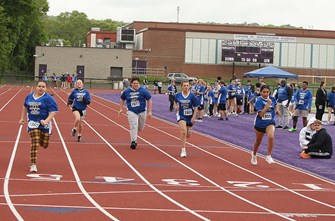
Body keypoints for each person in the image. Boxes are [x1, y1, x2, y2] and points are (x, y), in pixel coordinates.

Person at [19, 80, 58, 172]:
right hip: (32, 123)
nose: (41, 88)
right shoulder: (29, 97)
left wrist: (46, 121)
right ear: (36, 87)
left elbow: (53, 112)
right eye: (39, 86)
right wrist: (22, 118)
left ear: (45, 88)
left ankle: (46, 134)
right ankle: (33, 164)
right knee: (35, 142)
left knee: (44, 145)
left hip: (44, 123)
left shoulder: (49, 98)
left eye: (43, 87)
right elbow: (25, 107)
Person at [119, 76, 152, 149]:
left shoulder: (143, 90)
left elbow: (149, 99)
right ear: (131, 84)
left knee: (140, 128)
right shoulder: (127, 91)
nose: (136, 85)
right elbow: (122, 99)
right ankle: (133, 142)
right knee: (134, 125)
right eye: (134, 83)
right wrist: (121, 109)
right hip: (131, 111)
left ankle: (134, 132)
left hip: (142, 111)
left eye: (137, 83)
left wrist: (149, 112)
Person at [251, 85, 278, 165]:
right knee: (258, 141)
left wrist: (277, 110)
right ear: (260, 92)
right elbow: (261, 114)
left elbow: (275, 105)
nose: (266, 94)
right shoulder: (258, 100)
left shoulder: (272, 99)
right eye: (264, 92)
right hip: (260, 123)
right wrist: (267, 105)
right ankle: (254, 154)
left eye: (267, 92)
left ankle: (269, 155)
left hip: (270, 122)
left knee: (271, 136)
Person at [174, 80, 199, 158]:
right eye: (184, 85)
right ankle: (183, 150)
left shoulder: (192, 96)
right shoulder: (178, 95)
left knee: (188, 135)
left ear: (189, 86)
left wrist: (194, 117)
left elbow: (196, 108)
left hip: (190, 116)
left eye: (187, 85)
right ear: (181, 87)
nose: (186, 87)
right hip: (181, 115)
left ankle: (190, 129)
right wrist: (176, 106)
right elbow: (175, 101)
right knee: (183, 132)